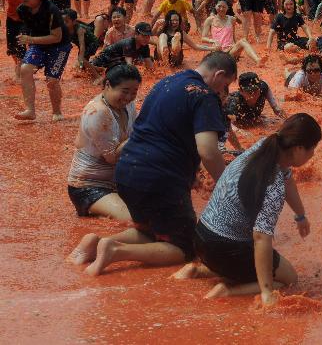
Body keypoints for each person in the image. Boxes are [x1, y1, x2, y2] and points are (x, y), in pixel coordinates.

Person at [68, 52, 237, 275]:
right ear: (220, 74)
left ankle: (96, 244)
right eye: (225, 85)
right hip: (158, 178)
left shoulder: (167, 82)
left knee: (153, 230)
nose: (222, 92)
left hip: (127, 173)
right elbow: (207, 149)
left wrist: (190, 173)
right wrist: (228, 186)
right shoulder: (203, 95)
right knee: (185, 247)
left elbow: (162, 131)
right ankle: (115, 250)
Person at [170, 114, 319, 304]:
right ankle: (228, 290)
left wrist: (300, 216)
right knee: (289, 279)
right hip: (223, 249)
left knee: (242, 254)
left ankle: (196, 270)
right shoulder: (273, 185)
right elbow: (261, 238)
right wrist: (266, 293)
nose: (313, 154)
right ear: (298, 149)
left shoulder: (266, 146)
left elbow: (288, 178)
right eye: (312, 148)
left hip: (201, 237)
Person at [67, 64, 141, 222]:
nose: (128, 97)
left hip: (118, 181)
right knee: (134, 220)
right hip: (88, 186)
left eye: (134, 92)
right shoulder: (98, 112)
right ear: (107, 85)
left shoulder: (128, 104)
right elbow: (113, 157)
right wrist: (144, 132)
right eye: (125, 91)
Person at [14, 0, 73, 121]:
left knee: (52, 80)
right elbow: (30, 28)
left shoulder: (52, 11)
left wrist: (31, 40)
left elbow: (56, 37)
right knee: (25, 69)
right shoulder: (22, 9)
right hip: (38, 43)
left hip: (59, 46)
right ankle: (30, 110)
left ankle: (57, 111)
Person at [0, 0, 34, 79]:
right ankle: (20, 65)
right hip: (11, 18)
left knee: (22, 44)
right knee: (12, 47)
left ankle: (20, 72)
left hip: (28, 18)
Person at [201, 0, 262, 64]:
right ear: (215, 6)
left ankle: (257, 60)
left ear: (228, 8)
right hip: (217, 50)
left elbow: (233, 35)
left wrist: (236, 46)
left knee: (243, 41)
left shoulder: (232, 19)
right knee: (219, 51)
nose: (221, 9)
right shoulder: (210, 20)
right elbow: (203, 38)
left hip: (230, 50)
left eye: (224, 7)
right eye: (219, 6)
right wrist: (212, 40)